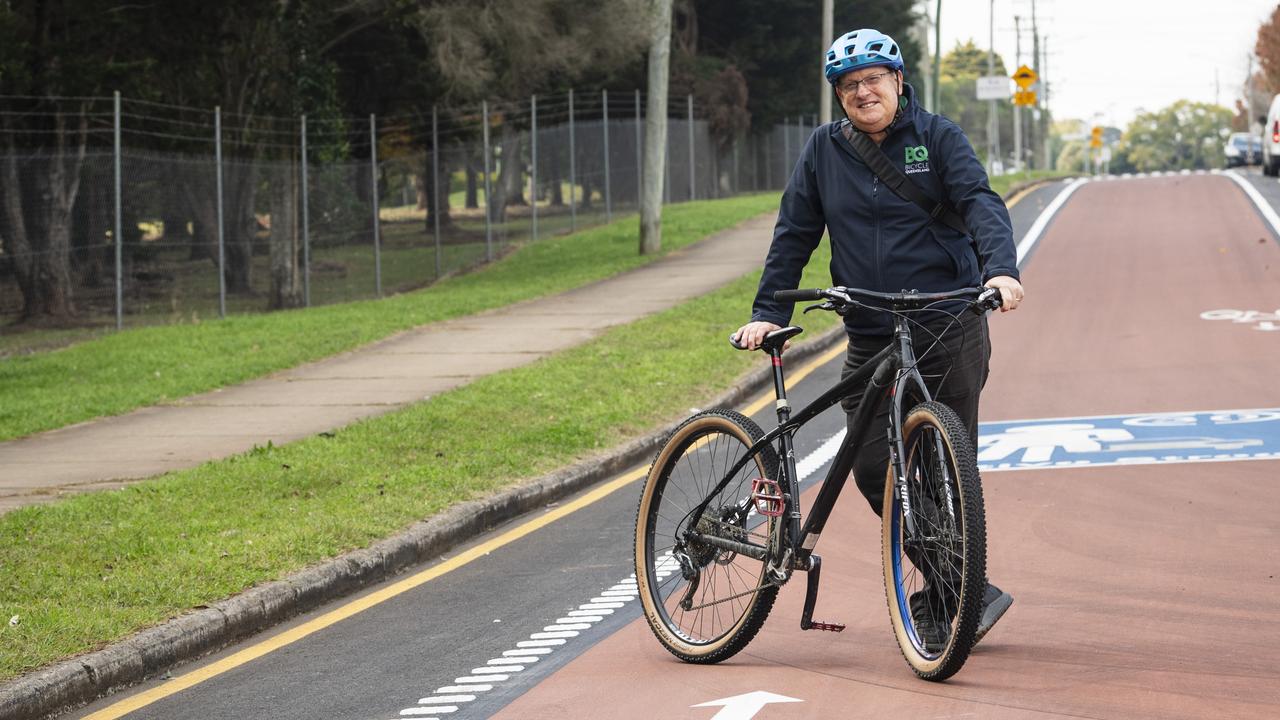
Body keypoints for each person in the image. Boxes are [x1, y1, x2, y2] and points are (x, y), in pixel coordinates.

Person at [732, 28, 1022, 646]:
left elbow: (979, 202)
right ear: (839, 96)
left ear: (897, 81)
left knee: (944, 464)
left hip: (948, 323)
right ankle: (963, 587)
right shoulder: (823, 150)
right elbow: (794, 233)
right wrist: (765, 309)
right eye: (849, 85)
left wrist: (1000, 270)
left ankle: (950, 598)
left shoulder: (938, 138)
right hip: (869, 329)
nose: (863, 92)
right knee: (872, 468)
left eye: (873, 79)